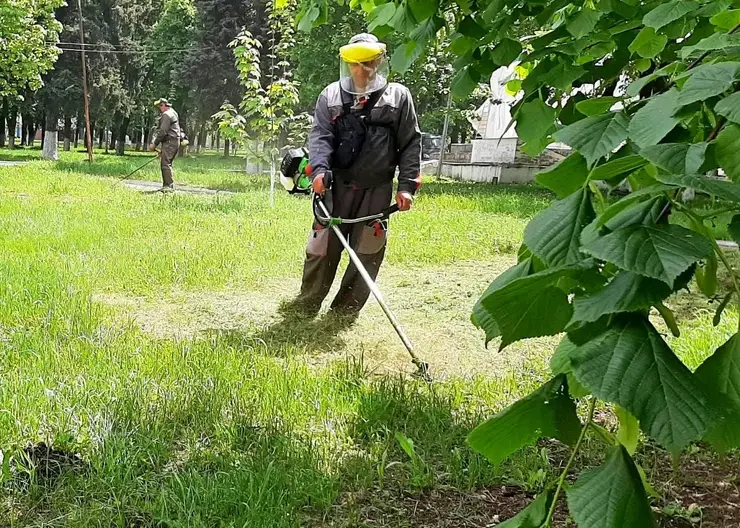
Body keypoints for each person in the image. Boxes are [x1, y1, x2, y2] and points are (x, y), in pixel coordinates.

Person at [287, 33, 422, 321]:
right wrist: (319, 170)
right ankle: (308, 304)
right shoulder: (331, 96)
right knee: (321, 249)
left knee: (368, 251)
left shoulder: (398, 97)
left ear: (379, 62)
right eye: (357, 64)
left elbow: (410, 142)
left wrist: (407, 185)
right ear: (348, 65)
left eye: (370, 62)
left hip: (377, 190)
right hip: (335, 188)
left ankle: (344, 312)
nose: (364, 69)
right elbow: (320, 137)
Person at [149, 98, 181, 191]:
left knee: (165, 164)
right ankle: (166, 186)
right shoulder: (173, 112)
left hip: (170, 142)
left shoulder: (166, 115)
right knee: (167, 163)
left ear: (163, 105)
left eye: (159, 107)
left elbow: (162, 131)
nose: (159, 109)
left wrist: (154, 144)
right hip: (174, 141)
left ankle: (169, 187)